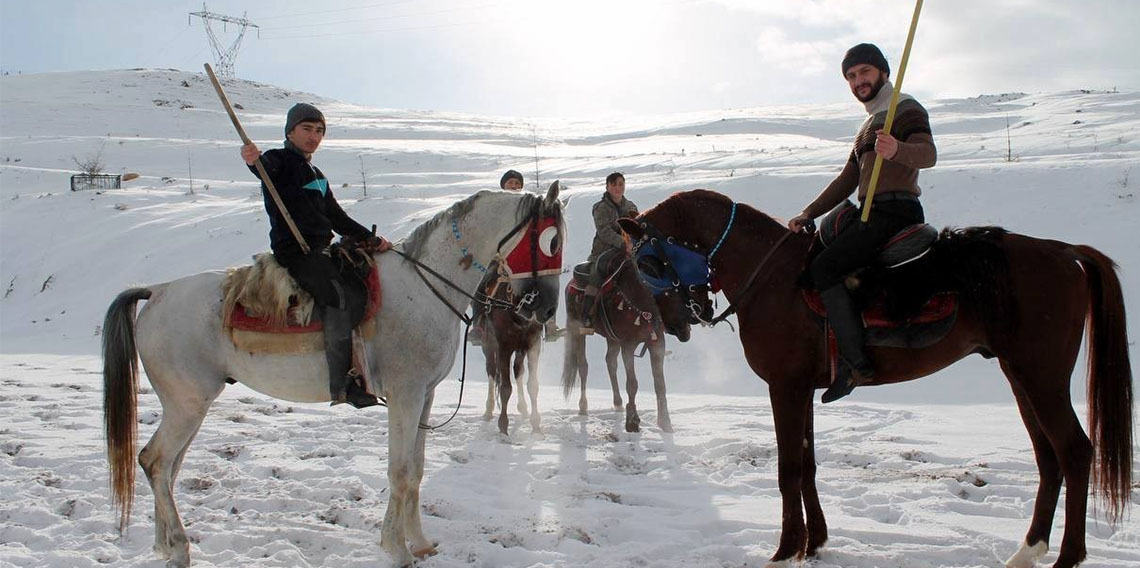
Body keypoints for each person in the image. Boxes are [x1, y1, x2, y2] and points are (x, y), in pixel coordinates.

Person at [786, 43, 937, 403]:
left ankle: (856, 365)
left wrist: (898, 150)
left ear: (883, 72)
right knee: (813, 262)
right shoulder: (868, 125)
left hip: (896, 210)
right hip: (868, 212)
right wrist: (809, 212)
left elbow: (929, 154)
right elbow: (846, 180)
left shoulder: (906, 108)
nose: (858, 81)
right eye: (851, 76)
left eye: (864, 72)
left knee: (825, 269)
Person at [240, 102, 392, 409]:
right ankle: (343, 383)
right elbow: (263, 170)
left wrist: (369, 237)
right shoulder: (277, 159)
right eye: (307, 129)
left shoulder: (317, 173)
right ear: (290, 132)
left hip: (323, 251)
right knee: (338, 296)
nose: (314, 136)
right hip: (296, 253)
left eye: (320, 130)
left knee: (359, 286)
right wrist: (252, 161)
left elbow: (336, 215)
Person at [469, 170, 564, 344]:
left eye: (517, 183)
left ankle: (550, 324)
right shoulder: (497, 209)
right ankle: (478, 325)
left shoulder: (529, 208)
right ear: (503, 186)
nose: (514, 186)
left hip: (523, 261)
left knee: (545, 283)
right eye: (510, 183)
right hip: (498, 259)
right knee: (481, 282)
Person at [581, 172, 638, 332]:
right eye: (613, 184)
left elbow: (636, 226)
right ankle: (587, 316)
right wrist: (623, 243)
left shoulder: (631, 206)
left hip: (629, 250)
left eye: (620, 184)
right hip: (604, 250)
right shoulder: (600, 208)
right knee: (596, 274)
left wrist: (635, 242)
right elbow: (604, 231)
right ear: (607, 187)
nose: (618, 188)